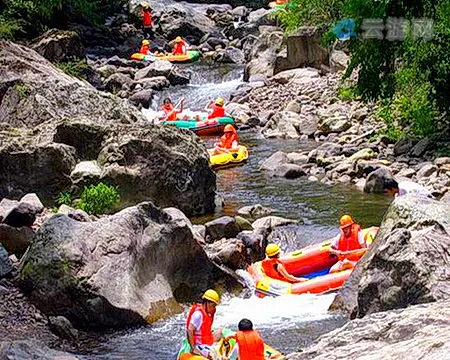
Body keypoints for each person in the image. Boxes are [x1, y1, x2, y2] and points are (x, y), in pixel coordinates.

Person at [186, 289, 221, 358]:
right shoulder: (198, 314)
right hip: (199, 345)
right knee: (214, 355)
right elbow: (189, 330)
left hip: (206, 340)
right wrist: (193, 348)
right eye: (213, 305)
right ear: (207, 303)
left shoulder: (207, 313)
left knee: (220, 332)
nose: (214, 308)